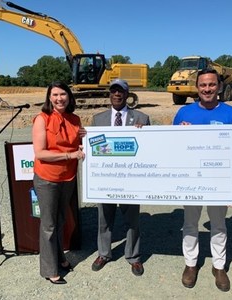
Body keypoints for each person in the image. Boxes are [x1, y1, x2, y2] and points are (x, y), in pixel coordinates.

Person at [173, 68, 232, 292]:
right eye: (203, 85)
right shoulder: (183, 113)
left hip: (218, 181)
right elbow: (170, 147)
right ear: (197, 87)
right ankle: (190, 264)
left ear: (219, 86)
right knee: (190, 223)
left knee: (219, 224)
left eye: (212, 84)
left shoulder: (231, 114)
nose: (207, 89)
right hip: (191, 179)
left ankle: (219, 266)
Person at [90, 78, 151, 276]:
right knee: (104, 219)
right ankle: (104, 253)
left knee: (132, 220)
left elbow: (151, 149)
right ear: (109, 94)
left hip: (131, 180)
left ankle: (133, 257)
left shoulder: (141, 118)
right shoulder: (98, 119)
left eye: (121, 91)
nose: (117, 94)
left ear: (127, 94)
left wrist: (144, 135)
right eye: (114, 91)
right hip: (106, 180)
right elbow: (92, 147)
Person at [32, 81, 86, 284]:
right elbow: (40, 153)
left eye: (63, 94)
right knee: (48, 225)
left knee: (61, 220)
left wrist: (87, 137)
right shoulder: (42, 119)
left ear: (69, 97)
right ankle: (49, 269)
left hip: (68, 178)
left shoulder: (75, 119)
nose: (59, 98)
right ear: (49, 98)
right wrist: (70, 155)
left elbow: (80, 145)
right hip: (47, 178)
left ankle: (60, 257)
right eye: (54, 95)